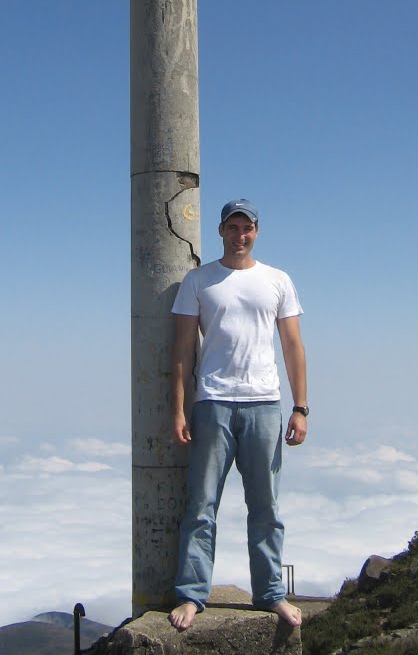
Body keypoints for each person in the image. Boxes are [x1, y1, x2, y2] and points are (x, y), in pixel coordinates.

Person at [168, 199, 308, 632]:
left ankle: (270, 595)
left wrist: (300, 408)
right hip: (212, 402)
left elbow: (292, 346)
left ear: (257, 231)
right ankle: (192, 595)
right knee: (202, 505)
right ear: (220, 231)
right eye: (232, 227)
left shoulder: (277, 280)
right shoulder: (199, 280)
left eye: (246, 227)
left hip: (265, 403)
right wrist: (179, 408)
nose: (240, 235)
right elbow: (182, 352)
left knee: (265, 507)